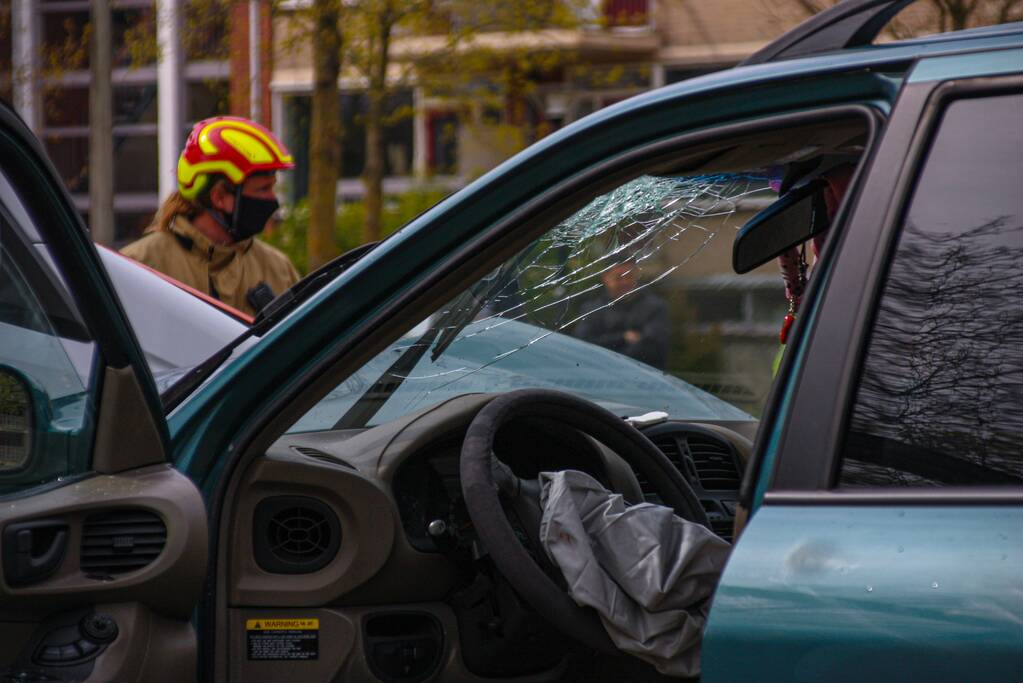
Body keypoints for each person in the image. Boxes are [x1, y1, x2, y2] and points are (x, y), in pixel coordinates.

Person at [122, 116, 300, 317]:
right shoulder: (140, 266)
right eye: (263, 189)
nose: (273, 200)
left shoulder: (278, 269)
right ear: (220, 197)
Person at [573, 260, 670, 369]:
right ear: (606, 278)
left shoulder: (654, 307)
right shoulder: (593, 309)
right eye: (618, 278)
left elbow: (652, 346)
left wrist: (611, 358)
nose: (625, 282)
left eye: (629, 277)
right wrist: (623, 338)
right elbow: (583, 343)